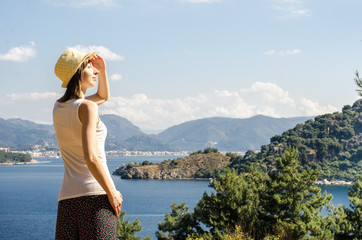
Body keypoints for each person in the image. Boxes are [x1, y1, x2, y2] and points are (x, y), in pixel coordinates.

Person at [53, 48, 123, 239]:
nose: (95, 71)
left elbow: (102, 97)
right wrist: (112, 192)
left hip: (66, 202)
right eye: (90, 67)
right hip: (96, 199)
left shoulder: (58, 108)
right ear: (78, 72)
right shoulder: (87, 107)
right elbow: (91, 157)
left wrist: (103, 70)